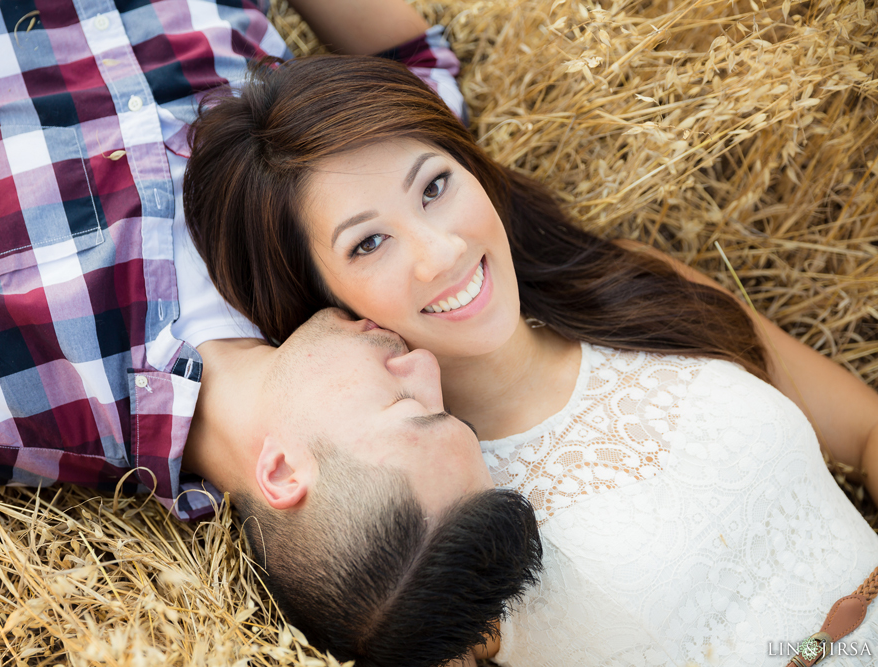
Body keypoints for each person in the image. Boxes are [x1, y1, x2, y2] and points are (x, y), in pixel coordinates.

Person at [0, 2, 545, 665]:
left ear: (282, 470)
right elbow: (415, 77)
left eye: (412, 408)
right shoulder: (364, 265)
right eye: (447, 403)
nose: (425, 364)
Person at [184, 55, 878, 665]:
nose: (442, 251)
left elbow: (866, 428)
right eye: (369, 243)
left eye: (434, 186)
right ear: (320, 295)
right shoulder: (430, 527)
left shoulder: (623, 288)